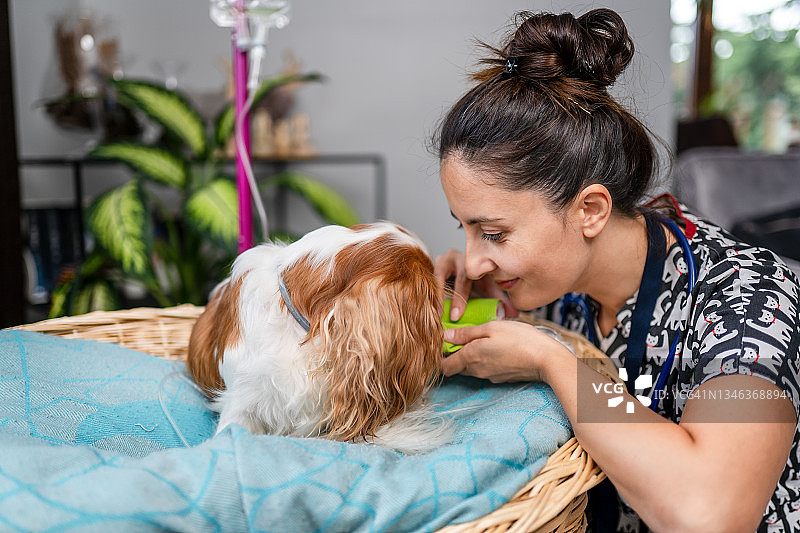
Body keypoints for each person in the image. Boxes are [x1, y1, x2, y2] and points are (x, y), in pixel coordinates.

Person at [432, 8, 800, 532]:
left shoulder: (748, 299)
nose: (472, 259)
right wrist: (494, 292)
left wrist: (551, 361)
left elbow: (711, 513)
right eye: (464, 229)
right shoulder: (557, 287)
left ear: (590, 210)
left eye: (493, 233)